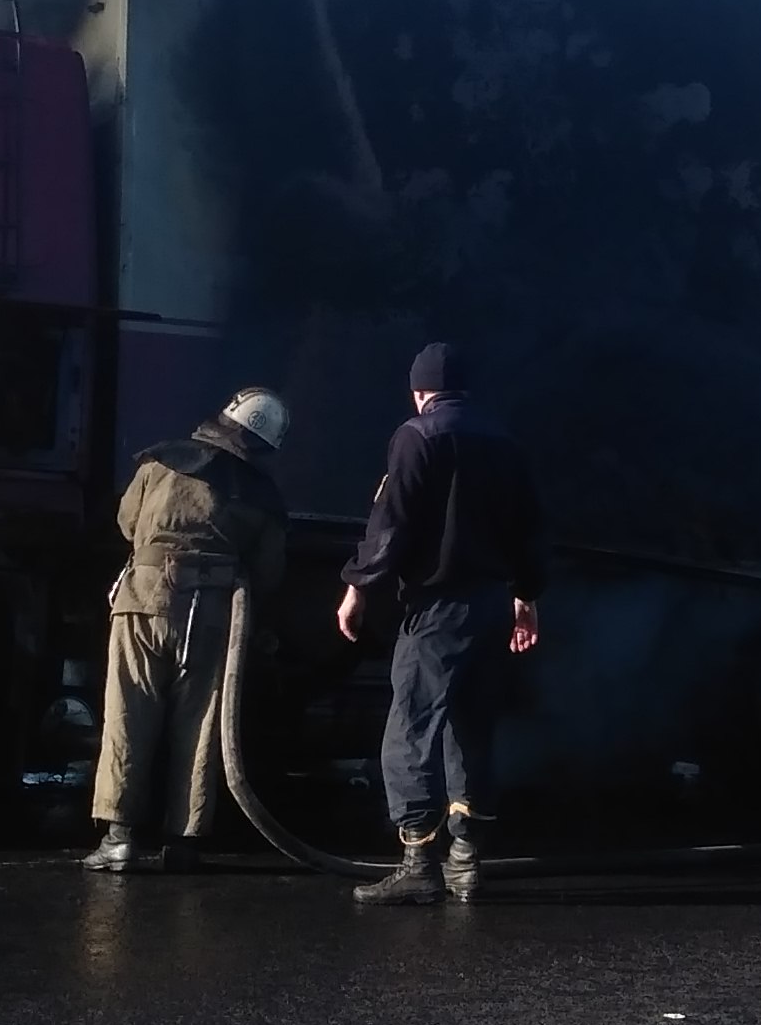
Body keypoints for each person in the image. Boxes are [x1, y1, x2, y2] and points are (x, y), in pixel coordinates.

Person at [336, 343, 544, 905]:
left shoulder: (415, 436)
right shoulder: (505, 444)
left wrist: (357, 588)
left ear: (419, 391)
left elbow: (391, 524)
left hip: (437, 610)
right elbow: (529, 530)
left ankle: (416, 863)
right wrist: (524, 599)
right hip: (491, 606)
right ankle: (466, 859)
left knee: (410, 728)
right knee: (470, 726)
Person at [86, 387, 292, 873]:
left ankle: (118, 839)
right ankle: (184, 841)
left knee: (127, 717)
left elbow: (125, 523)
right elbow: (269, 572)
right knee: (199, 726)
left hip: (142, 604)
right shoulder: (261, 495)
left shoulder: (159, 464)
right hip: (213, 614)